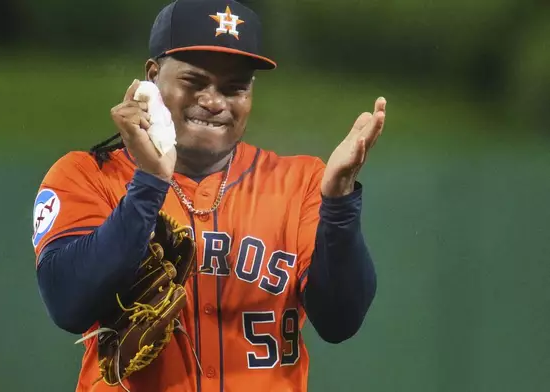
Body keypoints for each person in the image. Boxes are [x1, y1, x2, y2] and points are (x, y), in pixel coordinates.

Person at [32, 0, 384, 391]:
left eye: (235, 88)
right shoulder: (88, 175)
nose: (214, 101)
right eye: (194, 81)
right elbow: (67, 303)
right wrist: (148, 185)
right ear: (152, 76)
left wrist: (338, 204)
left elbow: (340, 320)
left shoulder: (301, 183)